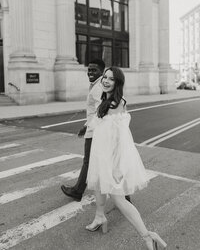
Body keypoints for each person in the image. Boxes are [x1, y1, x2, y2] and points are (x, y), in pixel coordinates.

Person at [85, 67, 167, 250]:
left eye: (111, 79)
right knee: (98, 185)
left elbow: (120, 139)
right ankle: (100, 217)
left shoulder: (116, 104)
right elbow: (101, 126)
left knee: (119, 199)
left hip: (111, 159)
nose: (105, 81)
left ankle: (148, 236)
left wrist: (116, 168)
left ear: (117, 83)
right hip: (102, 155)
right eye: (104, 77)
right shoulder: (106, 100)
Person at [61, 59, 105, 201]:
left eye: (94, 70)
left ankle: (78, 191)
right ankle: (124, 195)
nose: (90, 72)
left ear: (101, 71)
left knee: (89, 161)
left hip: (96, 131)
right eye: (89, 70)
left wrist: (89, 127)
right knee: (107, 163)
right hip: (94, 128)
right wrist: (85, 126)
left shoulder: (99, 87)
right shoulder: (96, 85)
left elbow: (101, 111)